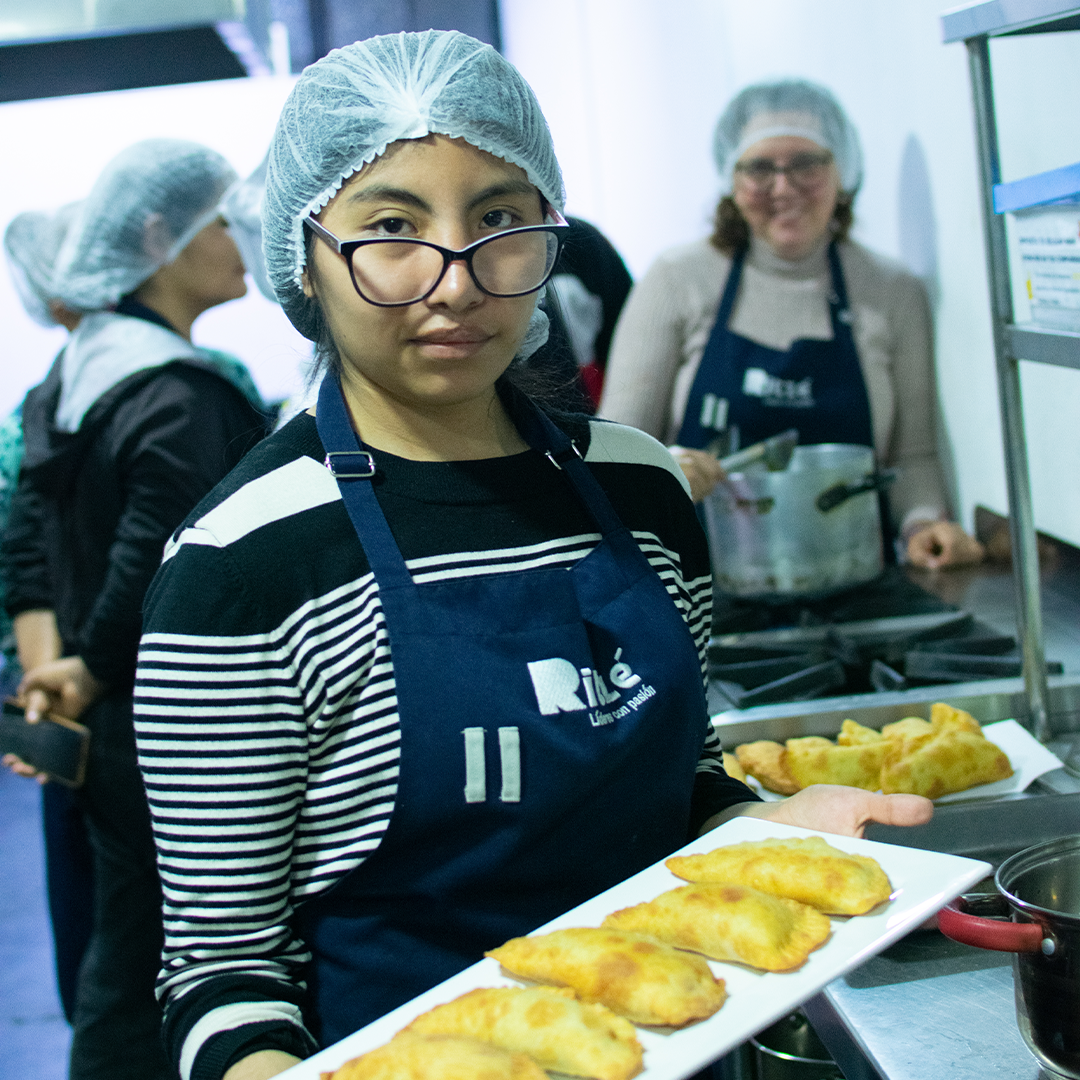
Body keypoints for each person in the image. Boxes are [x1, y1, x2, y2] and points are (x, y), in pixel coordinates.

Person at [131, 34, 932, 1080]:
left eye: (501, 220)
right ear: (305, 254)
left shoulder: (642, 489)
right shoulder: (243, 569)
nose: (455, 281)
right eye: (391, 227)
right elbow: (221, 968)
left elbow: (676, 786)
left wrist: (770, 825)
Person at [2, 138, 270, 1080]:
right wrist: (96, 661)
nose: (243, 238)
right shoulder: (176, 393)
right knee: (161, 964)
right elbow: (164, 558)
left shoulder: (70, 377)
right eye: (220, 222)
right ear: (159, 237)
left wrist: (63, 672)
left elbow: (28, 544)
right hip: (174, 722)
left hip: (101, 720)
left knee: (119, 946)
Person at [599, 79, 984, 570]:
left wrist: (923, 524)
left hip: (856, 577)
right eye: (759, 167)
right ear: (731, 181)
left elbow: (914, 454)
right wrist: (666, 472)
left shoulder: (892, 291)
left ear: (841, 171)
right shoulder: (677, 280)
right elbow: (616, 452)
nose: (784, 187)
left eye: (806, 164)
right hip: (698, 591)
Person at [2, 202, 96, 1027]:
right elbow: (23, 562)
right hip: (83, 698)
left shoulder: (200, 378)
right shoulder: (39, 408)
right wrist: (52, 695)